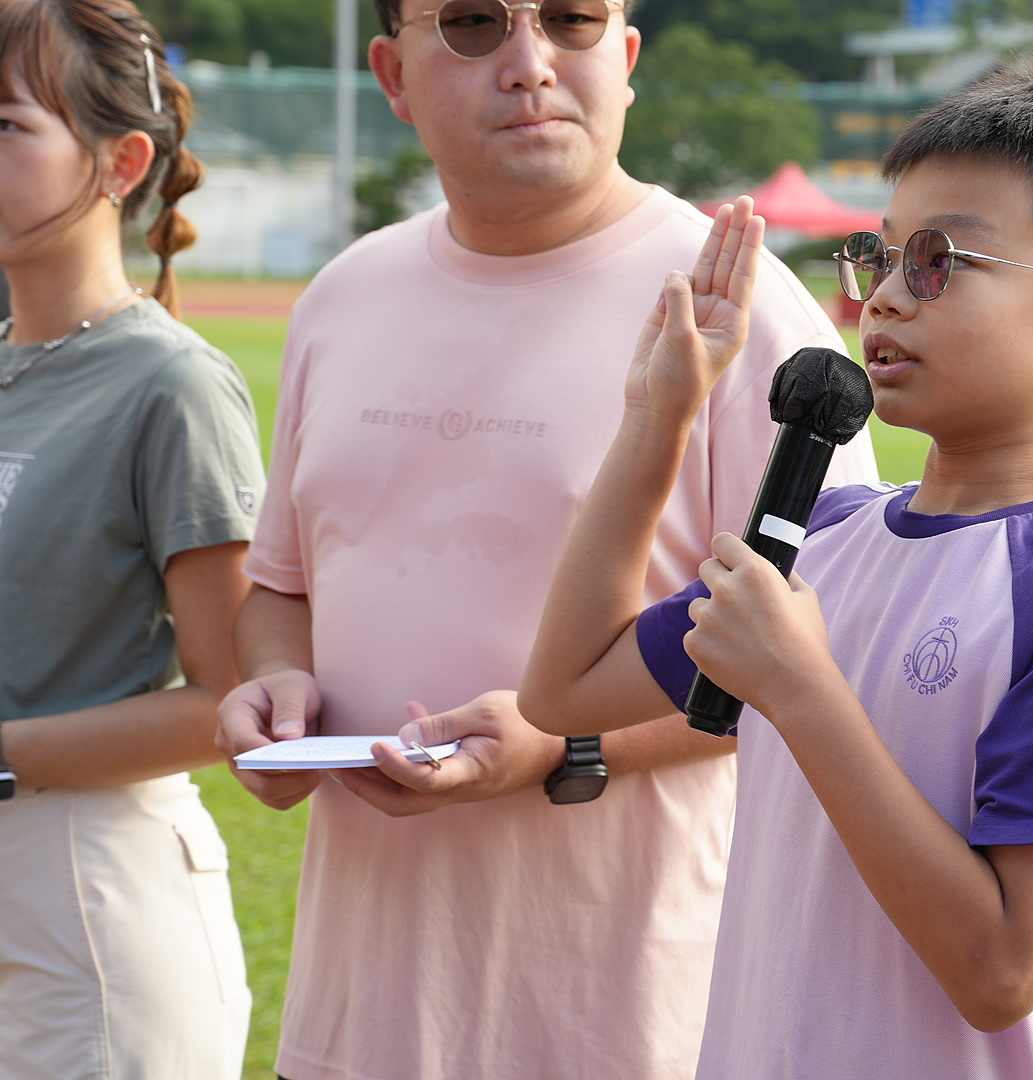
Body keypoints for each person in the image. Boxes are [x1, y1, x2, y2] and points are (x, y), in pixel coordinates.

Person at [212, 0, 875, 1077]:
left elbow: (827, 654)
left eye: (570, 19)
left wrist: (567, 747)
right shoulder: (342, 296)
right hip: (355, 1019)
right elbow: (281, 588)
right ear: (391, 73)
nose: (529, 63)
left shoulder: (736, 305)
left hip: (631, 1021)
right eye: (473, 24)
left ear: (626, 54)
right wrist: (276, 689)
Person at [518, 58, 1033, 1078]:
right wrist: (658, 418)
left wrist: (799, 688)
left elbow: (1003, 971)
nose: (883, 298)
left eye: (937, 262)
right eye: (878, 258)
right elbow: (564, 688)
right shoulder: (824, 533)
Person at [0, 1, 258, 1076]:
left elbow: (231, 701)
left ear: (121, 162)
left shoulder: (172, 384)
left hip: (88, 897)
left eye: (6, 123)